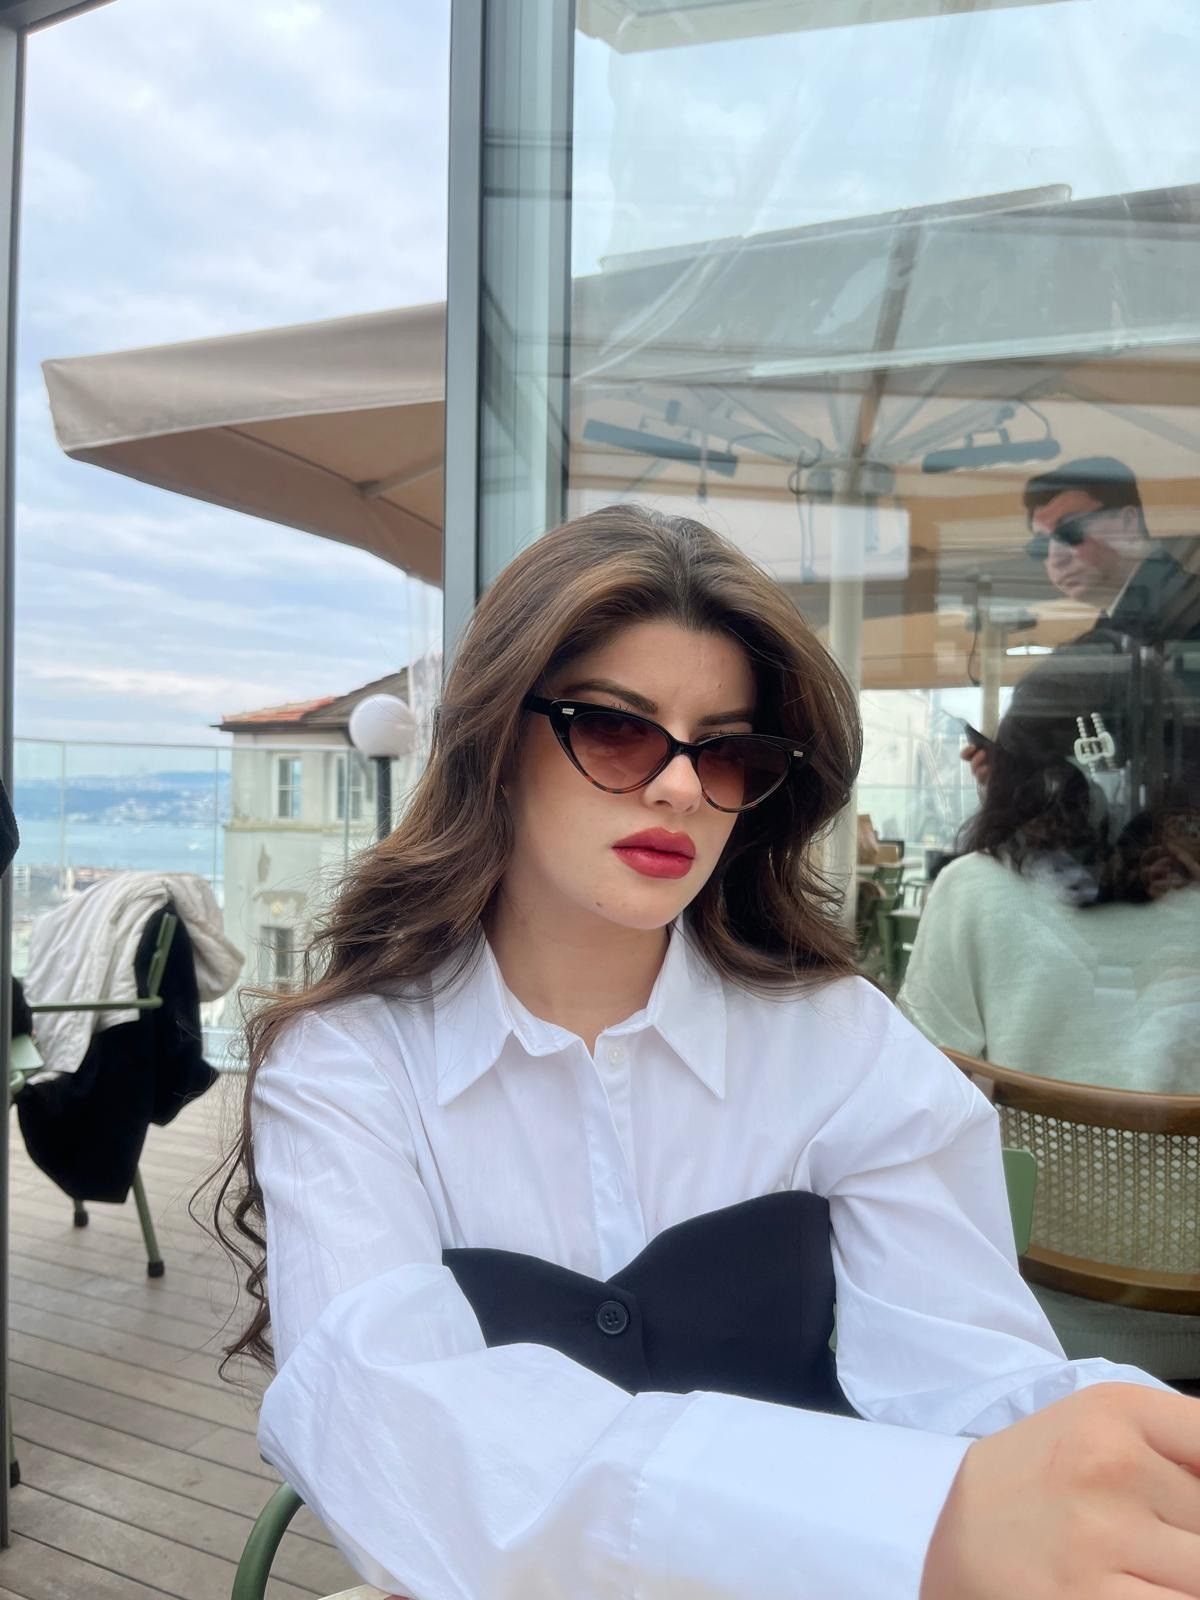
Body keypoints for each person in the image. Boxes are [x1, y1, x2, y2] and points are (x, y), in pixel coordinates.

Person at [215, 507, 1200, 1600]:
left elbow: (970, 1377)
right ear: (494, 741)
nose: (680, 786)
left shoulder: (839, 1040)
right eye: (614, 728)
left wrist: (1133, 1458)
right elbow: (389, 1422)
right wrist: (925, 1521)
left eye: (727, 750)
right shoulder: (351, 1065)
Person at [900, 649, 1200, 1091]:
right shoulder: (1187, 895)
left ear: (1011, 769)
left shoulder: (970, 889)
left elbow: (925, 1076)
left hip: (1020, 1141)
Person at [962, 455, 1200, 784]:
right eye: (1041, 545)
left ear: (1128, 523)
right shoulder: (1135, 621)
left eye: (1070, 531)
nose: (1055, 557)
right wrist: (1020, 772)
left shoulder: (1179, 615)